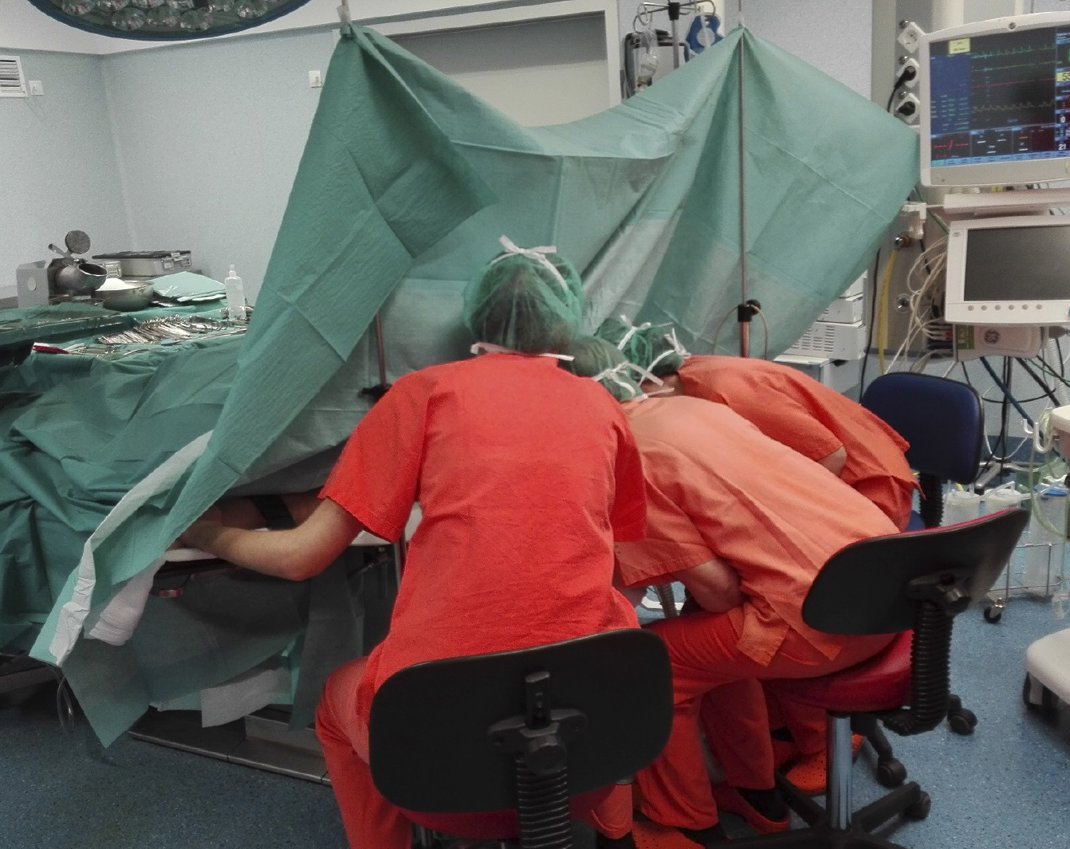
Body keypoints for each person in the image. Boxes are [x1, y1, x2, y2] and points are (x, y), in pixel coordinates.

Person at [181, 240, 648, 849]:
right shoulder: (604, 406)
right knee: (603, 650)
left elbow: (301, 557)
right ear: (567, 318)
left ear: (477, 319)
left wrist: (207, 530)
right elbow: (615, 567)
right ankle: (619, 837)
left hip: (436, 775)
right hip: (588, 766)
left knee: (336, 704)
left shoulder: (424, 394)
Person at [560, 336, 898, 848]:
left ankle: (685, 824)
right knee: (704, 638)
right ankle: (755, 794)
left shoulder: (629, 456)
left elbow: (721, 594)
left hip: (820, 624)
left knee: (649, 664)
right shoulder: (696, 408)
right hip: (888, 590)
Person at [596, 318, 916, 532]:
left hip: (868, 489)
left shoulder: (729, 390)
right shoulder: (690, 378)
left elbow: (831, 456)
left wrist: (777, 515)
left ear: (644, 379)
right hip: (831, 486)